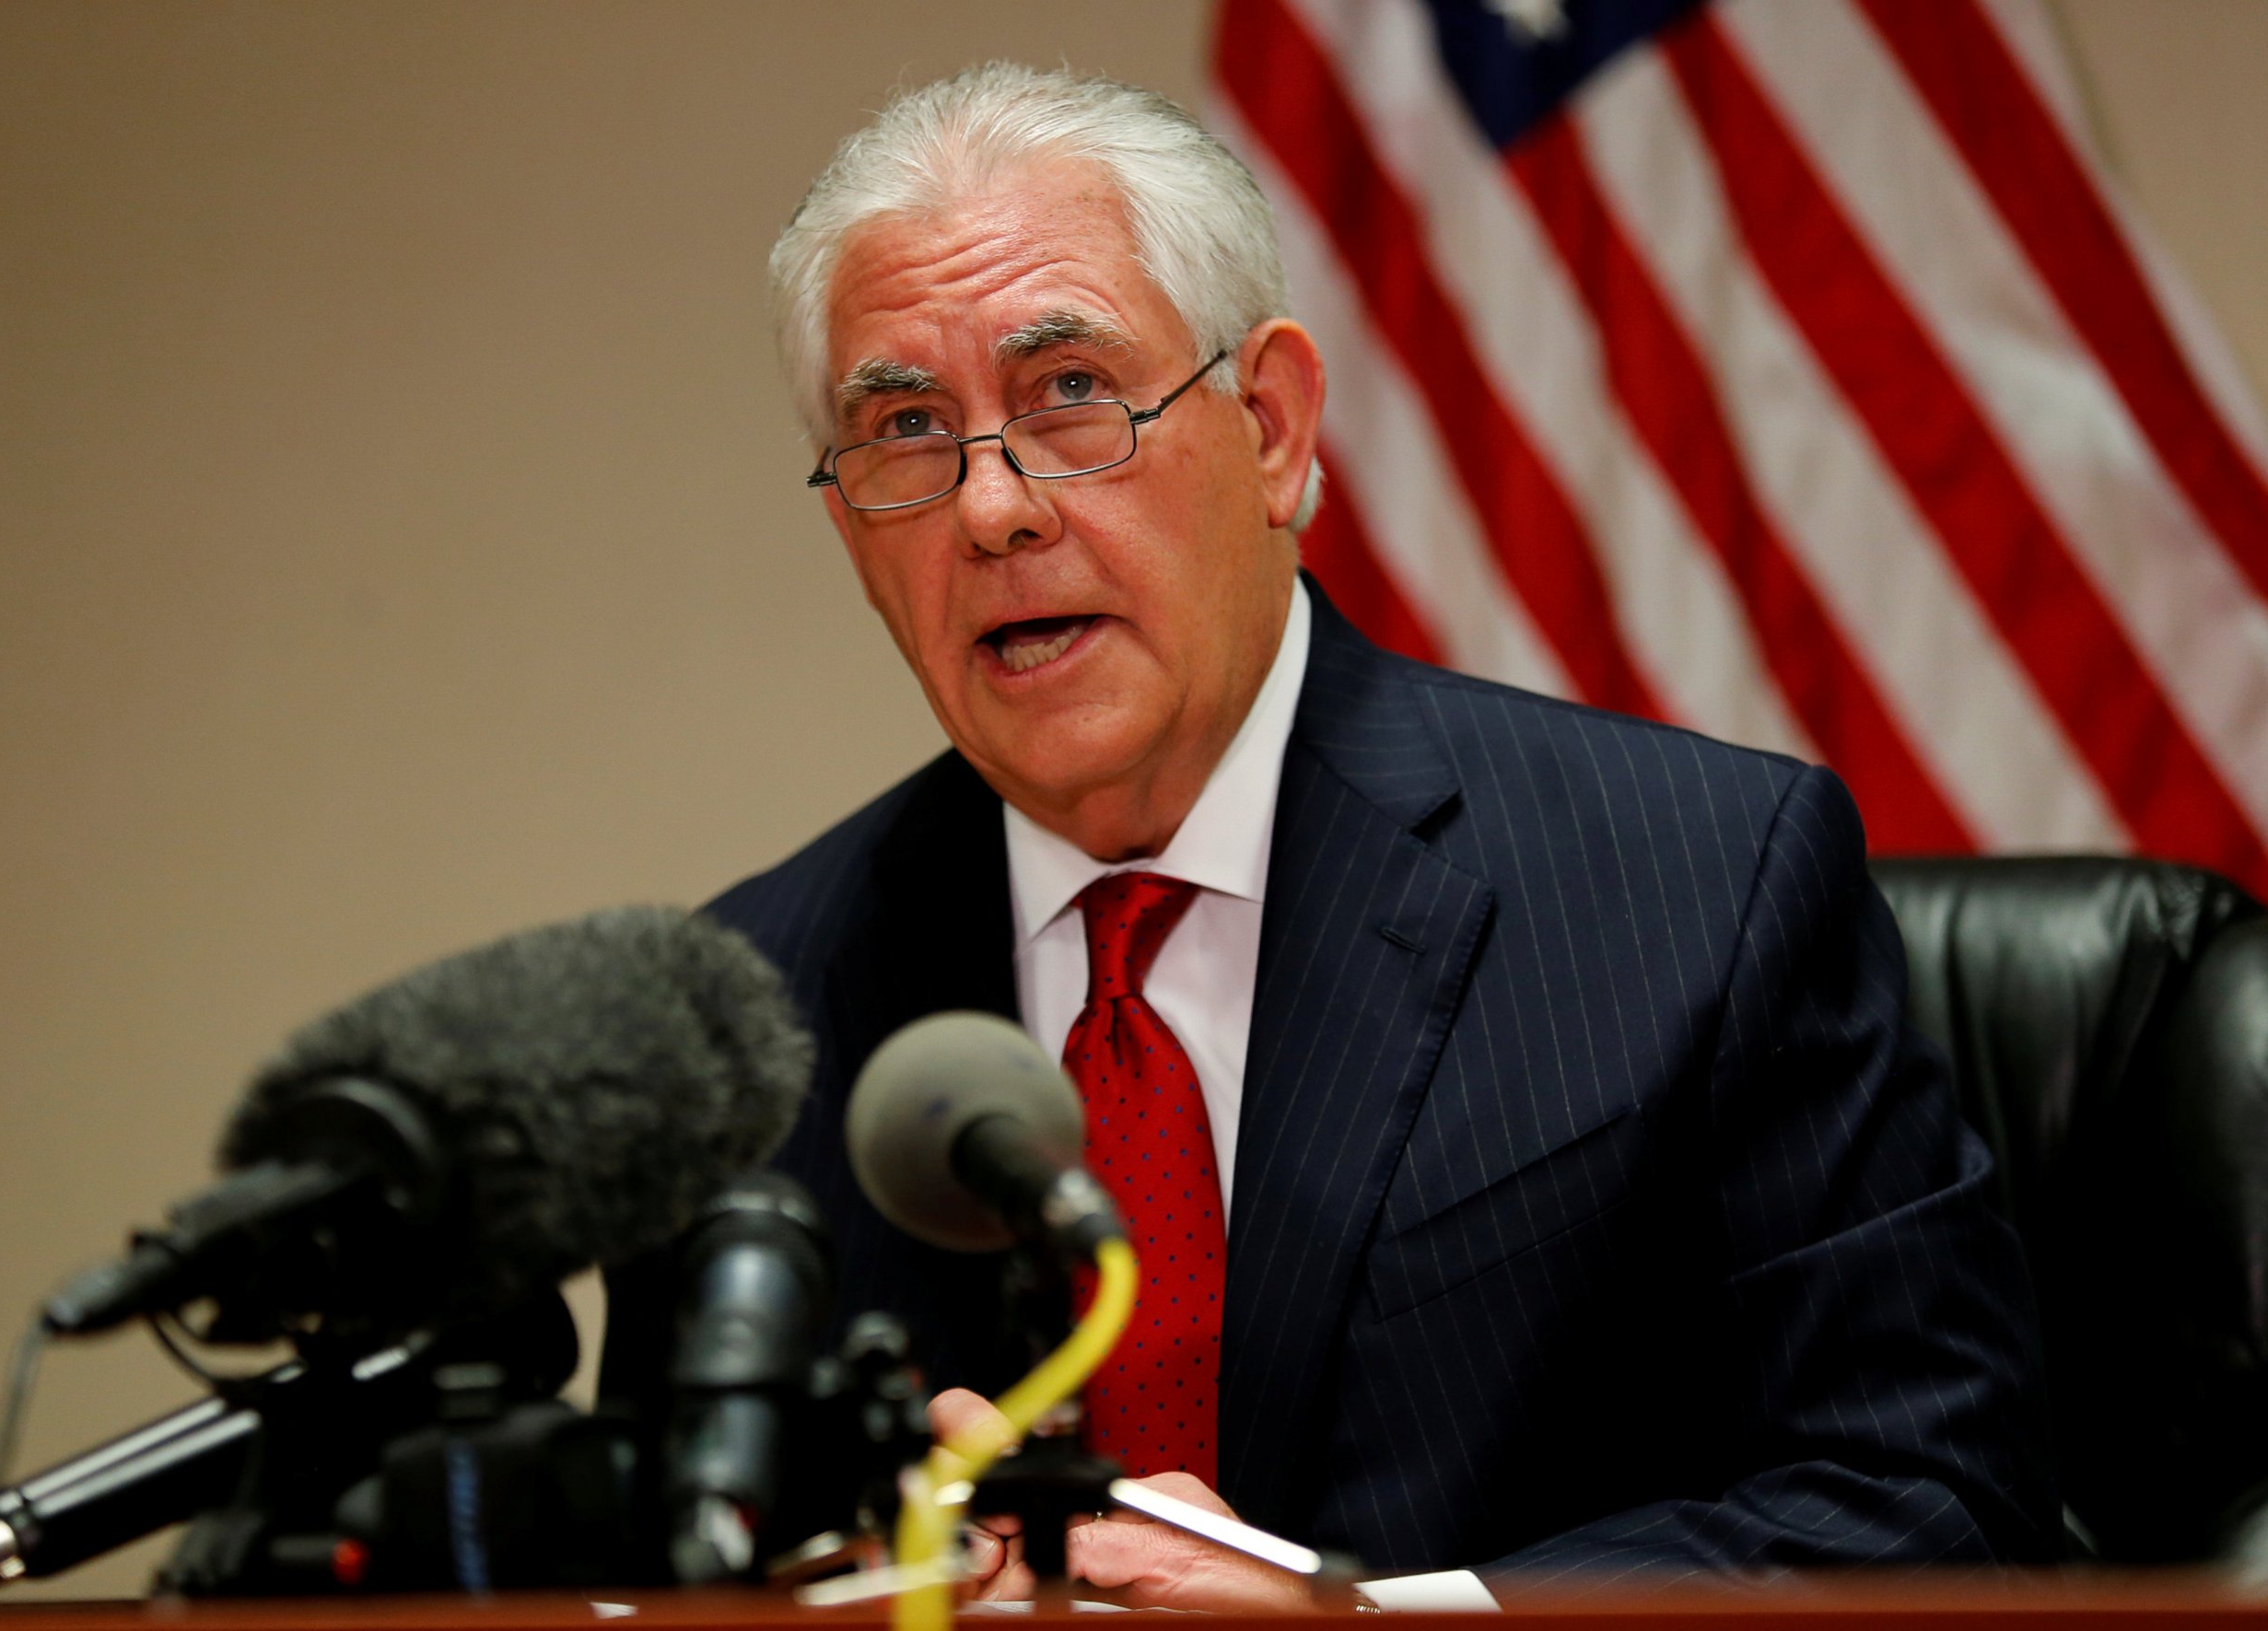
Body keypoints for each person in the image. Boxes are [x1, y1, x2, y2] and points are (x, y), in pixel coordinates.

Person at [602, 63, 2057, 1606]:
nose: (990, 510)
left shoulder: (1701, 881)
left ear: (1276, 428)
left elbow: (1930, 1500)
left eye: (1071, 396)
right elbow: (657, 1572)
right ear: (851, 532)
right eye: (903, 430)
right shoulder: (737, 1021)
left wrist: (1366, 1627)